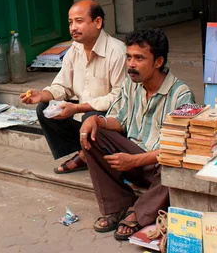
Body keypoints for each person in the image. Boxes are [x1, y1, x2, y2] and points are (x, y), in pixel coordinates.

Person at [80, 29, 195, 241]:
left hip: (158, 166)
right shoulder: (130, 85)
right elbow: (119, 120)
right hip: (131, 160)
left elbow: (176, 150)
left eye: (139, 58)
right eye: (129, 57)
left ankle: (138, 212)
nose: (131, 64)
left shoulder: (181, 95)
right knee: (94, 133)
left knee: (178, 163)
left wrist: (134, 160)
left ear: (158, 62)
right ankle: (118, 205)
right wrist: (95, 119)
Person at [20, 0, 126, 174]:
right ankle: (84, 151)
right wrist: (44, 94)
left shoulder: (117, 52)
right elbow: (63, 86)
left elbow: (119, 98)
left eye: (79, 21)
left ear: (97, 22)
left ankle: (87, 156)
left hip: (110, 119)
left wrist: (77, 108)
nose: (73, 28)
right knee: (45, 109)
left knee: (91, 117)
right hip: (84, 115)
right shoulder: (75, 49)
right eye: (70, 22)